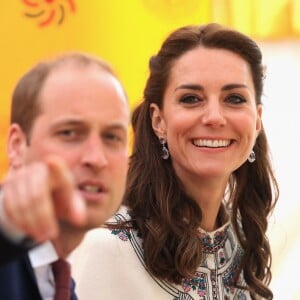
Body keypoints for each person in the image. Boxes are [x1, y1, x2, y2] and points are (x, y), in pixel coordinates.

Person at [71, 23, 279, 300]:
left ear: (257, 120)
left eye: (234, 98)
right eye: (191, 99)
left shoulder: (242, 239)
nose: (214, 117)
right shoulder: (107, 248)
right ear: (159, 121)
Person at [0, 52, 130, 299]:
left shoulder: (61, 288)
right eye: (70, 133)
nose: (96, 158)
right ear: (17, 146)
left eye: (112, 136)